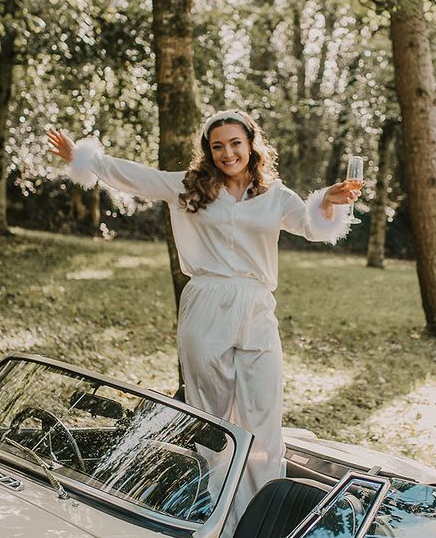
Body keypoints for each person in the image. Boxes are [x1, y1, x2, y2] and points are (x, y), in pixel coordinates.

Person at [46, 109, 359, 534]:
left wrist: (327, 202)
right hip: (205, 302)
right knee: (212, 419)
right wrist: (83, 159)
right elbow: (136, 176)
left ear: (251, 145)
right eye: (218, 146)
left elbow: (310, 224)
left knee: (263, 415)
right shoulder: (189, 187)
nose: (228, 153)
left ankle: (257, 520)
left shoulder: (275, 194)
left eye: (235, 143)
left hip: (255, 305)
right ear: (208, 152)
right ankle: (215, 520)